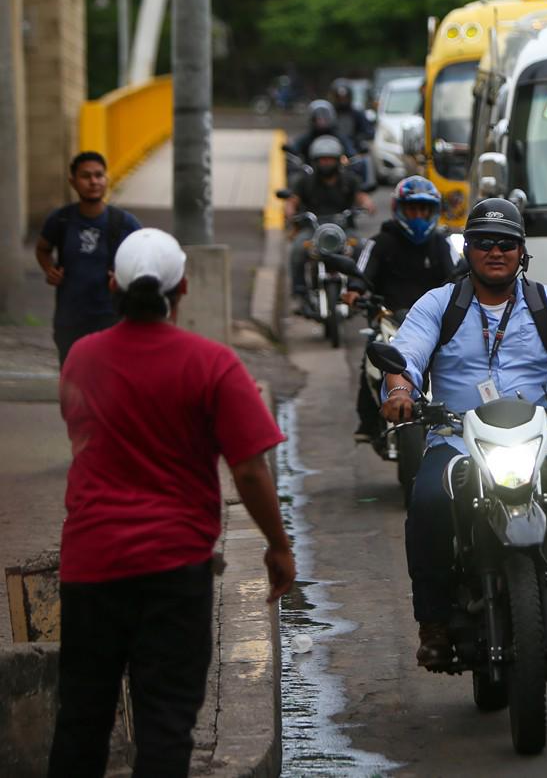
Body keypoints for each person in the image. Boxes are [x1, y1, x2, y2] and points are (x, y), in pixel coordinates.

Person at [47, 228, 295, 778]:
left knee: (82, 719)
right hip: (173, 570)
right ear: (182, 288)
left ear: (112, 285)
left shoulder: (82, 359)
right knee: (165, 724)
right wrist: (278, 547)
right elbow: (250, 469)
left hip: (90, 567)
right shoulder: (212, 364)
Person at [381, 198, 547, 671]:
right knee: (427, 503)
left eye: (506, 243)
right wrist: (399, 389)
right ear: (467, 250)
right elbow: (404, 357)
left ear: (522, 252)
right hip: (454, 440)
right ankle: (433, 626)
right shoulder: (438, 303)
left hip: (534, 442)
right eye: (484, 243)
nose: (496, 252)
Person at [344, 176, 458, 442]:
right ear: (399, 209)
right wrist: (354, 291)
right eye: (412, 209)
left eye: (424, 210)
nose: (418, 216)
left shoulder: (441, 245)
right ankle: (368, 422)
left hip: (434, 324)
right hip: (388, 318)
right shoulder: (381, 242)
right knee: (371, 362)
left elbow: (458, 276)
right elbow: (361, 272)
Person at [35, 151, 142, 366]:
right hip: (69, 320)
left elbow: (144, 257)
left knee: (108, 381)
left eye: (99, 175)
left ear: (106, 179)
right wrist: (49, 269)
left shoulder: (124, 222)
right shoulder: (61, 219)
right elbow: (42, 248)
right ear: (72, 182)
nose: (94, 182)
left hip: (111, 318)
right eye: (86, 176)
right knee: (72, 380)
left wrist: (127, 277)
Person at [287, 134, 375, 313]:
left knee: (362, 248)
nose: (326, 163)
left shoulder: (349, 180)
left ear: (337, 160)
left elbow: (360, 196)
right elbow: (293, 200)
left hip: (344, 229)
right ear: (315, 161)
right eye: (322, 159)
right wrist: (289, 210)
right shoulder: (305, 181)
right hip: (313, 230)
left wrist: (367, 203)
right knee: (297, 249)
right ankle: (300, 294)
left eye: (330, 159)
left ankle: (355, 290)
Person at [330, 80, 374, 152]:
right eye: (339, 98)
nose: (342, 101)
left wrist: (358, 138)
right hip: (330, 149)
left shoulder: (357, 114)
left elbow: (369, 131)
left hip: (353, 150)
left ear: (350, 97)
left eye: (344, 98)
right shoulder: (330, 113)